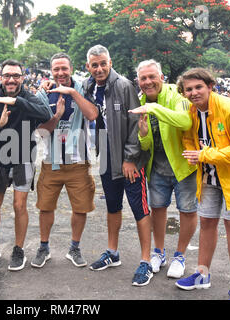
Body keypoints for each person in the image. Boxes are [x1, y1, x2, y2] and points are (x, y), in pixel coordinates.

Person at [176, 68, 230, 300]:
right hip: (208, 179)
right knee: (207, 223)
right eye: (189, 89)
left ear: (210, 86)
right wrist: (194, 153)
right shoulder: (192, 112)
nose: (193, 93)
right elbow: (190, 140)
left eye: (198, 87)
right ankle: (202, 274)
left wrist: (207, 155)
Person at [82, 45, 152, 286]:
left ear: (110, 63)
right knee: (113, 206)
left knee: (139, 209)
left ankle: (146, 261)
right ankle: (112, 252)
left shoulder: (123, 85)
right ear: (88, 66)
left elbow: (135, 122)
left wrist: (130, 158)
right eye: (94, 65)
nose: (99, 68)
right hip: (106, 157)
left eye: (103, 63)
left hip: (129, 159)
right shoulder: (88, 86)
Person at [0, 59, 51, 271]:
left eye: (16, 76)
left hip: (23, 159)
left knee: (19, 205)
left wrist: (16, 102)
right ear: (1, 77)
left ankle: (18, 249)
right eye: (7, 75)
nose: (11, 79)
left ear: (22, 77)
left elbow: (45, 114)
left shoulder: (30, 98)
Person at [129, 60, 197, 279]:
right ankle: (159, 252)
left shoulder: (176, 95)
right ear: (138, 81)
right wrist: (143, 133)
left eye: (152, 77)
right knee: (158, 209)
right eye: (143, 78)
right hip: (156, 168)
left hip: (183, 166)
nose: (148, 82)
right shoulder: (139, 101)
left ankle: (180, 255)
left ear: (161, 77)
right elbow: (146, 145)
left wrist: (154, 108)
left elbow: (185, 122)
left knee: (186, 210)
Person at [29, 53, 98, 269]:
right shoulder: (44, 94)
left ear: (71, 68)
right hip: (52, 162)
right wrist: (56, 116)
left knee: (81, 208)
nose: (60, 73)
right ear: (51, 70)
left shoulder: (84, 88)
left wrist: (71, 93)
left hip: (78, 162)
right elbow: (40, 132)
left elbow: (92, 114)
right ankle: (43, 247)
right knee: (46, 207)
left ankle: (74, 247)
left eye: (64, 69)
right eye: (56, 69)